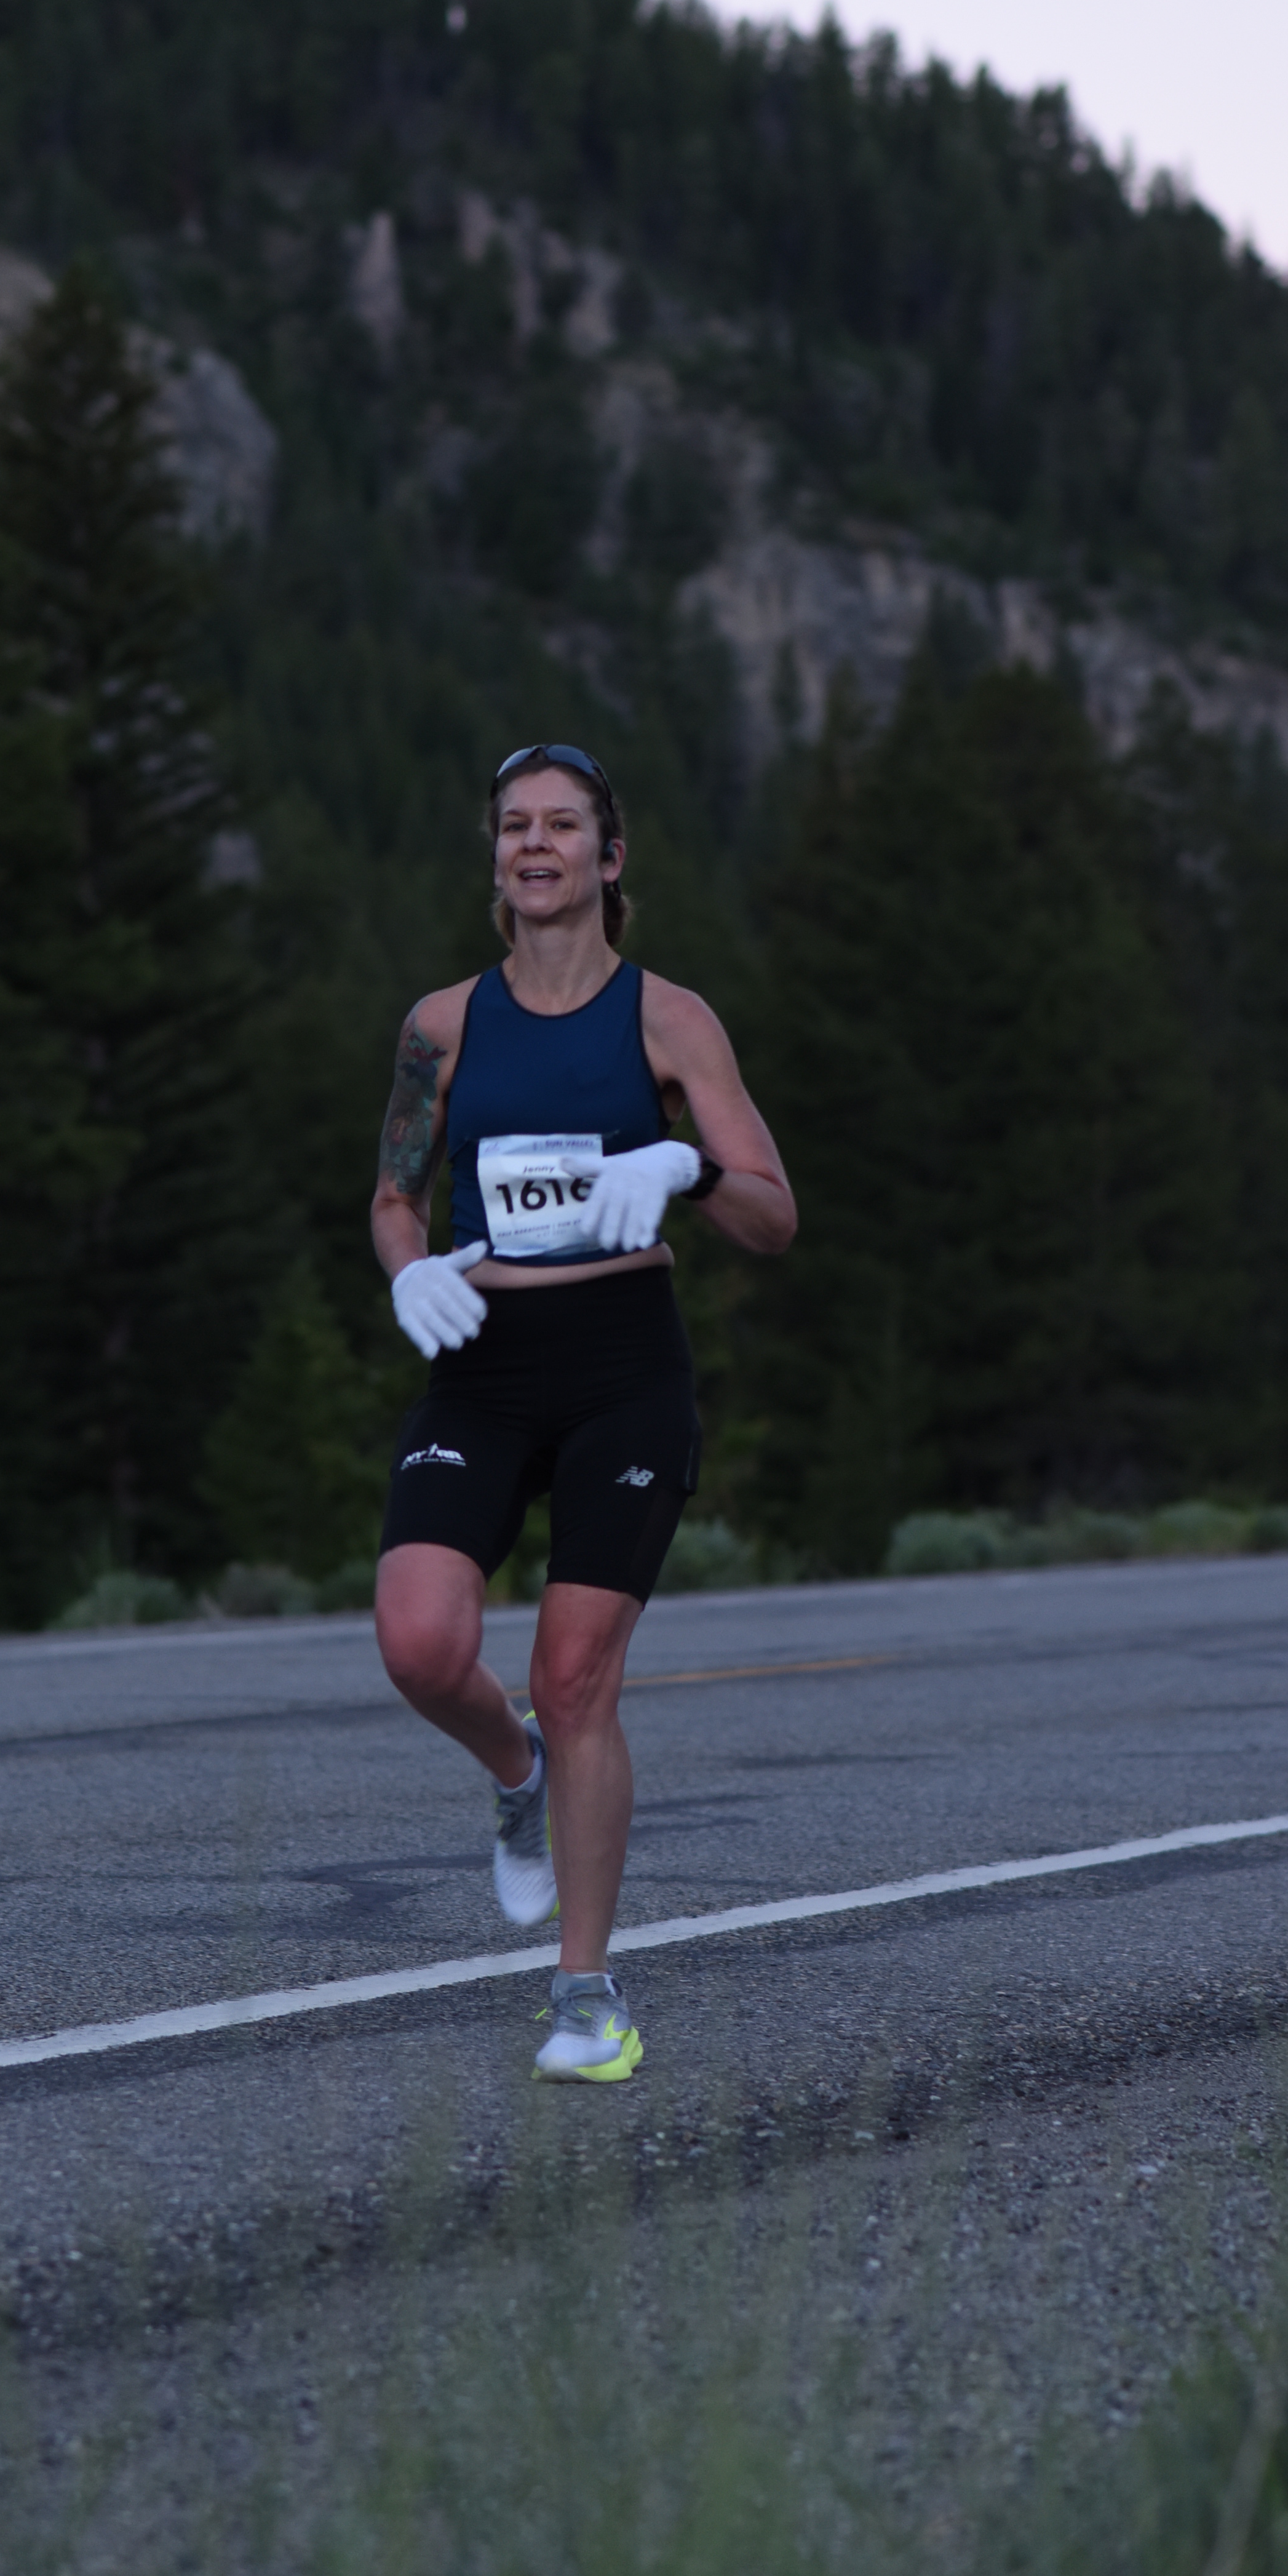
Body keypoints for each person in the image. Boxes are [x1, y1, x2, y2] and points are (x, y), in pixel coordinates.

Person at [371, 743, 797, 2082]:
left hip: (623, 1366)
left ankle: (586, 1999)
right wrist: (408, 1272)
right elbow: (394, 1194)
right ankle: (517, 1775)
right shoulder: (442, 1025)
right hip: (484, 1360)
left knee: (574, 1678)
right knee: (418, 1643)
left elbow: (774, 1215)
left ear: (610, 860)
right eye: (514, 826)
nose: (534, 845)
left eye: (562, 825)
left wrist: (684, 1166)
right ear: (495, 858)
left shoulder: (669, 1020)